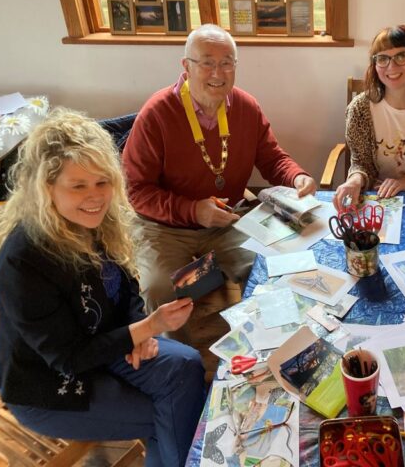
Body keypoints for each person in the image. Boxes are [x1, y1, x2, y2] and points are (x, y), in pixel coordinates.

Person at [0, 109, 206, 466]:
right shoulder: (23, 260)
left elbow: (126, 283)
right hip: (48, 383)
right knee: (168, 409)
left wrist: (139, 330)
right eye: (78, 185)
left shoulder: (96, 221)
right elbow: (68, 358)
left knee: (188, 368)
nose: (96, 196)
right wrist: (148, 328)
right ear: (46, 189)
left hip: (106, 344)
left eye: (103, 182)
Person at [123, 23, 316, 326]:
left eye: (226, 63)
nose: (218, 72)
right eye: (207, 63)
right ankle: (183, 363)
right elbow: (135, 191)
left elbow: (272, 158)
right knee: (160, 289)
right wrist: (193, 211)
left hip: (228, 220)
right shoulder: (157, 113)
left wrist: (296, 177)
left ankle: (263, 348)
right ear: (186, 66)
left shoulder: (245, 106)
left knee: (274, 267)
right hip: (165, 227)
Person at [333, 25, 405, 210]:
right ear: (375, 64)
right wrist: (354, 181)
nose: (391, 66)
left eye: (401, 56)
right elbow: (361, 164)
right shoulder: (360, 109)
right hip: (374, 198)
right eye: (382, 58)